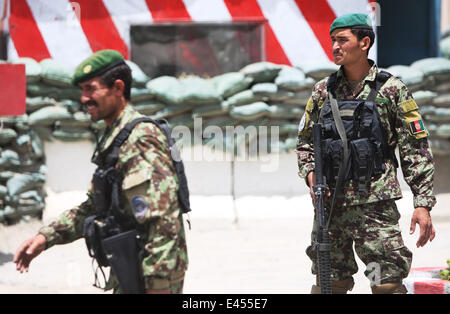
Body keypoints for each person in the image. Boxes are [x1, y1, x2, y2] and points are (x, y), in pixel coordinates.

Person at [13, 49, 188, 294]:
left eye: (90, 89)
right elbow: (94, 207)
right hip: (131, 266)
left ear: (118, 88)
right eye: (82, 90)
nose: (84, 98)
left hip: (153, 274)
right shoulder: (115, 139)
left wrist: (158, 285)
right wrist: (45, 238)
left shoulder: (140, 138)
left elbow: (163, 218)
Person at [296, 13, 436, 294]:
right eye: (332, 40)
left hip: (375, 204)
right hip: (331, 206)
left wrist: (422, 203)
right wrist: (311, 175)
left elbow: (415, 148)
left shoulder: (391, 89)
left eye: (342, 40)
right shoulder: (323, 91)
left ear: (364, 42)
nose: (335, 46)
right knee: (328, 283)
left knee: (386, 283)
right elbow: (305, 143)